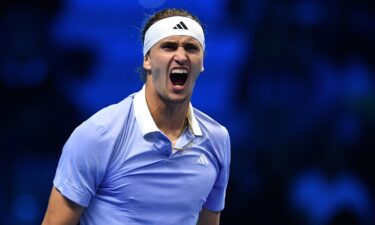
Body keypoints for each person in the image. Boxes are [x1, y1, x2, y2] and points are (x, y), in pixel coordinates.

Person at [42, 8, 231, 225]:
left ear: (202, 63)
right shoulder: (98, 133)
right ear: (147, 60)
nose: (181, 56)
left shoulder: (217, 138)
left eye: (191, 47)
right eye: (168, 46)